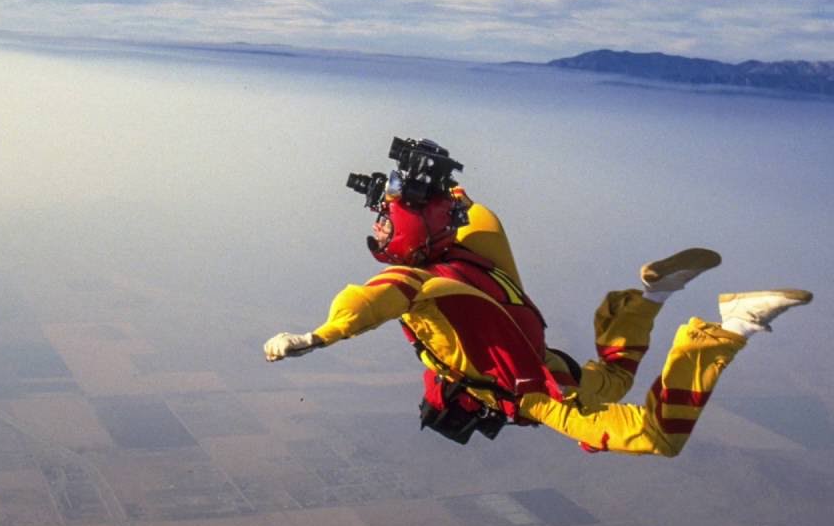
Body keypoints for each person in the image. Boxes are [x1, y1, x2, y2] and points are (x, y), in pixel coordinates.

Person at [263, 137, 815, 457]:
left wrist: (317, 337)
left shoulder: (421, 286)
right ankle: (654, 293)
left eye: (385, 220)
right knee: (614, 379)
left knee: (656, 436)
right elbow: (454, 213)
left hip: (535, 391)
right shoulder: (469, 245)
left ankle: (731, 326)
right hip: (546, 365)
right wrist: (440, 190)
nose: (379, 230)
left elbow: (371, 300)